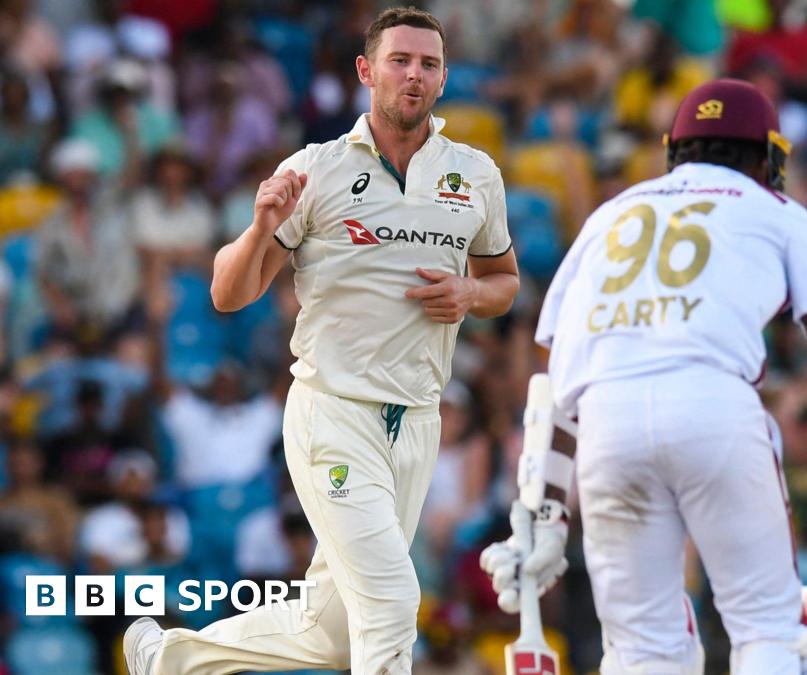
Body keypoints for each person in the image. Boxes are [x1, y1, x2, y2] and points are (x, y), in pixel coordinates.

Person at [481, 78, 807, 673]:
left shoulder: (608, 217)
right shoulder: (779, 213)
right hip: (712, 407)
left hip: (607, 427)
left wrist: (544, 512)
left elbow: (558, 378)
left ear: (674, 152)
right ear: (767, 158)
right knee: (768, 627)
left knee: (642, 650)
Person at [123, 7, 519, 675]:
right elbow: (227, 294)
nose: (414, 75)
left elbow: (503, 280)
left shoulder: (474, 174)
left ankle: (169, 658)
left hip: (417, 420)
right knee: (392, 602)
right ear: (366, 70)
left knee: (335, 632)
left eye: (428, 64)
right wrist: (260, 228)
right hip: (333, 413)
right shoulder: (317, 169)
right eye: (399, 61)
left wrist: (470, 295)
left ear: (444, 78)